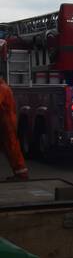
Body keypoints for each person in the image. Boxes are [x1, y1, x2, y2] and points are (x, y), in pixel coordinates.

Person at [0, 42, 29, 181]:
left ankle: (21, 173)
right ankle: (20, 173)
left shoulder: (2, 88)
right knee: (10, 148)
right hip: (6, 122)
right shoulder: (4, 86)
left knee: (11, 147)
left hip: (6, 123)